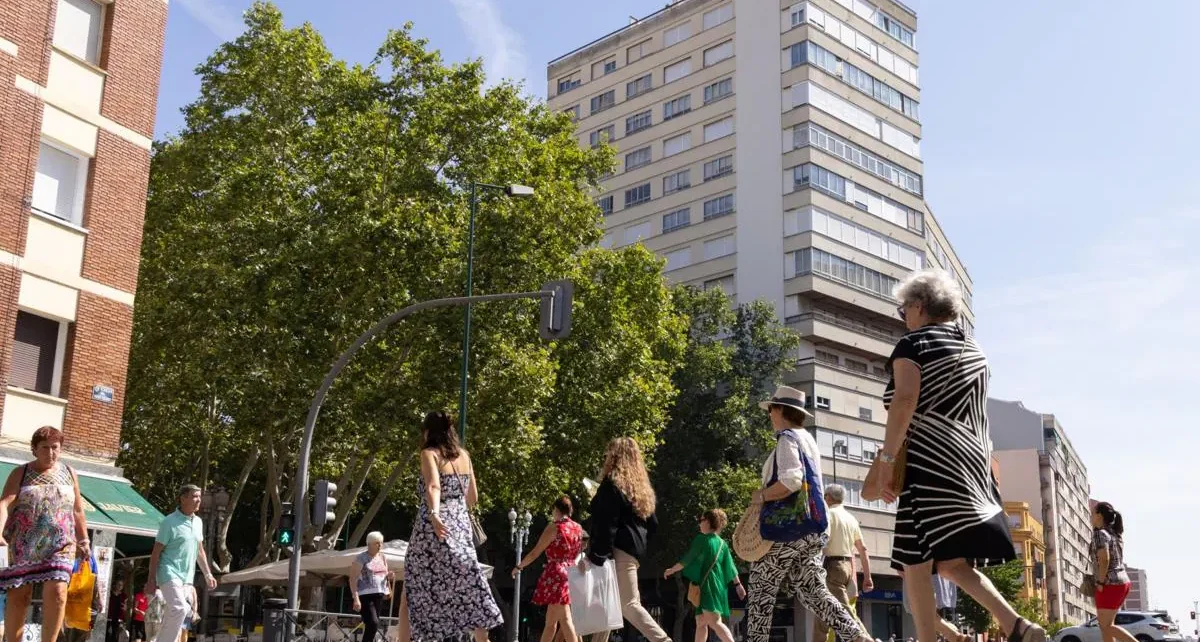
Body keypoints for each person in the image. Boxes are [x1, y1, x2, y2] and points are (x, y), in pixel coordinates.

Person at [871, 269, 1045, 642]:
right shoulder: (974, 350)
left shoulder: (914, 345)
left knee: (915, 562)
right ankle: (1017, 623)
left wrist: (886, 462)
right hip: (971, 462)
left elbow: (904, 400)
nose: (903, 318)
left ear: (919, 306)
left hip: (928, 463)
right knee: (948, 562)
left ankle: (930, 638)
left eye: (903, 311)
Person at [745, 386, 871, 642]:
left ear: (780, 410)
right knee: (814, 591)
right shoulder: (807, 439)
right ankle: (856, 636)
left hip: (788, 529)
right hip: (814, 528)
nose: (769, 414)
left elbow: (791, 480)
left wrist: (761, 496)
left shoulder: (787, 438)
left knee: (761, 590)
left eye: (771, 409)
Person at [401, 411, 502, 642]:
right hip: (460, 528)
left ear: (427, 431)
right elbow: (472, 497)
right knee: (469, 588)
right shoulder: (464, 456)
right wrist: (455, 508)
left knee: (413, 593)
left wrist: (436, 514)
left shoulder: (429, 454)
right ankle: (482, 638)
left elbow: (433, 487)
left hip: (431, 531)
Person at [0, 426, 90, 642]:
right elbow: (4, 503)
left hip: (60, 544)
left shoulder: (70, 473)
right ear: (34, 449)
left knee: (58, 592)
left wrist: (84, 539)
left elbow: (77, 510)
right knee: (20, 597)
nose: (51, 453)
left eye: (55, 448)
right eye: (45, 448)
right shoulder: (21, 472)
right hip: (23, 544)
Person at [584, 437, 671, 642]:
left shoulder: (611, 485)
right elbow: (653, 524)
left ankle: (662, 640)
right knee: (607, 605)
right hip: (630, 552)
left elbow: (607, 524)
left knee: (628, 604)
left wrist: (596, 555)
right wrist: (637, 544)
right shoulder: (640, 490)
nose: (606, 456)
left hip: (616, 551)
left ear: (614, 456)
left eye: (608, 453)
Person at [146, 485, 217, 642]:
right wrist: (151, 579)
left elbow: (200, 551)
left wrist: (208, 574)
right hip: (168, 572)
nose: (199, 500)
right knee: (180, 609)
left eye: (200, 496)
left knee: (175, 612)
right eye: (194, 496)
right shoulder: (169, 522)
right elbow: (156, 553)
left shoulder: (198, 522)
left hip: (187, 577)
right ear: (183, 498)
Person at [662, 509, 745, 642]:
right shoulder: (723, 544)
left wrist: (672, 569)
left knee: (714, 622)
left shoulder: (701, 539)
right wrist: (738, 585)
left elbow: (688, 559)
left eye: (701, 520)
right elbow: (730, 567)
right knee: (701, 622)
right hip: (716, 586)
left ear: (708, 522)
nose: (699, 524)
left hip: (708, 586)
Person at [513, 496, 585, 642]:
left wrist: (519, 566)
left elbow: (535, 552)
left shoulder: (555, 527)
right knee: (550, 623)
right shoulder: (578, 528)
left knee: (565, 619)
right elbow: (580, 551)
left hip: (557, 573)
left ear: (556, 509)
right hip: (572, 571)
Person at [814, 485, 873, 642]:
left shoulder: (828, 514)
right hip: (847, 567)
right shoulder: (851, 518)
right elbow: (863, 549)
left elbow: (820, 541)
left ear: (829, 497)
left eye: (825, 496)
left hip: (832, 567)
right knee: (822, 613)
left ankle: (865, 639)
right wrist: (867, 577)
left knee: (845, 613)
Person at [1089, 502, 1135, 642]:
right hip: (1122, 582)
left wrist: (1100, 582)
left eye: (1093, 513)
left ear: (1099, 515)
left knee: (1106, 626)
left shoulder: (1099, 534)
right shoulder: (1114, 534)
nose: (1091, 516)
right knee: (1107, 626)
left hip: (1109, 583)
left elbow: (1104, 559)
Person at [898, 569, 965, 642]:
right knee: (924, 614)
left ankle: (950, 633)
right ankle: (951, 633)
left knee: (921, 612)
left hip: (921, 575)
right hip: (937, 574)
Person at [350, 531, 393, 642]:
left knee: (373, 625)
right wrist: (356, 598)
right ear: (369, 544)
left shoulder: (383, 557)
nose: (380, 545)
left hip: (379, 594)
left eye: (381, 543)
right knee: (373, 622)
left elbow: (384, 574)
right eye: (377, 543)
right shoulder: (361, 558)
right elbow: (353, 578)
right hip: (364, 595)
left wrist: (389, 576)